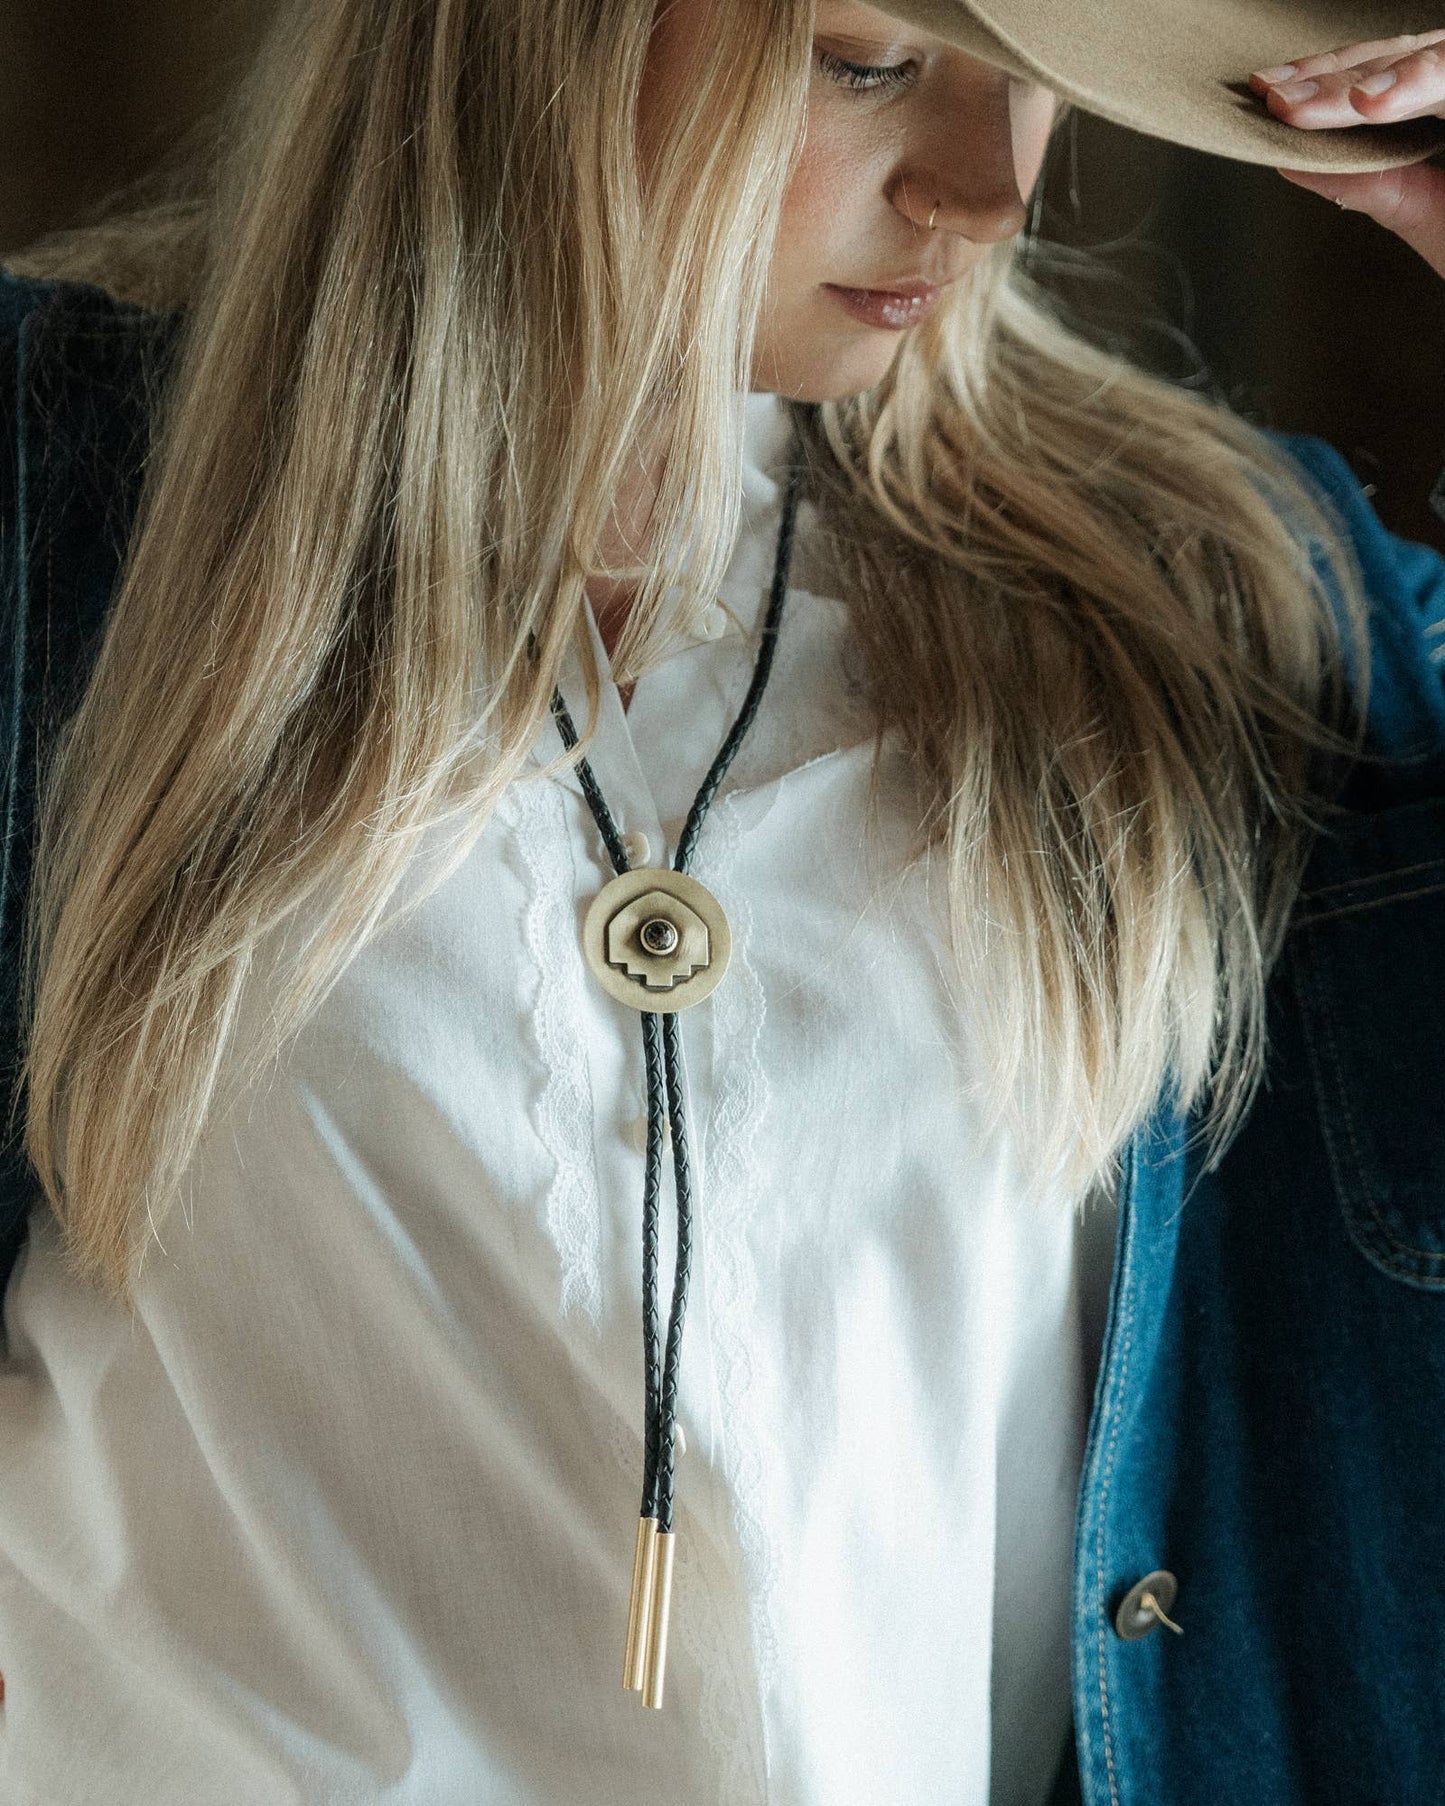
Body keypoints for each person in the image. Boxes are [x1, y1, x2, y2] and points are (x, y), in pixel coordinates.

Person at [0, 1, 1442, 1800]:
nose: (984, 194)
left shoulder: (1233, 607)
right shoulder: (55, 528)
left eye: (1041, 90)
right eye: (868, 62)